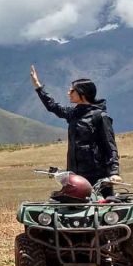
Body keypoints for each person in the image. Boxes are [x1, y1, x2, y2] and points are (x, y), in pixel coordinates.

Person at [30, 65, 121, 194]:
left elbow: (110, 145)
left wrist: (114, 172)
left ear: (82, 93)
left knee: (99, 210)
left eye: (72, 91)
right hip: (75, 176)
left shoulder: (100, 116)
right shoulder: (74, 114)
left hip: (97, 176)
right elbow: (53, 107)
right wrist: (38, 87)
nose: (68, 93)